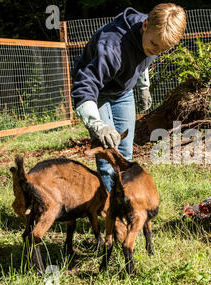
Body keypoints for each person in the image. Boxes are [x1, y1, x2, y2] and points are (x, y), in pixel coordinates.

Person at [71, 3, 187, 192]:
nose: (156, 51)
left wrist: (143, 86)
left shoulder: (154, 35)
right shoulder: (112, 47)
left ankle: (125, 201)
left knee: (124, 153)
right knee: (108, 153)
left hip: (122, 91)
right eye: (154, 45)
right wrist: (97, 124)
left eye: (162, 50)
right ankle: (111, 210)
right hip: (96, 92)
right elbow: (85, 86)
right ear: (145, 25)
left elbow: (142, 58)